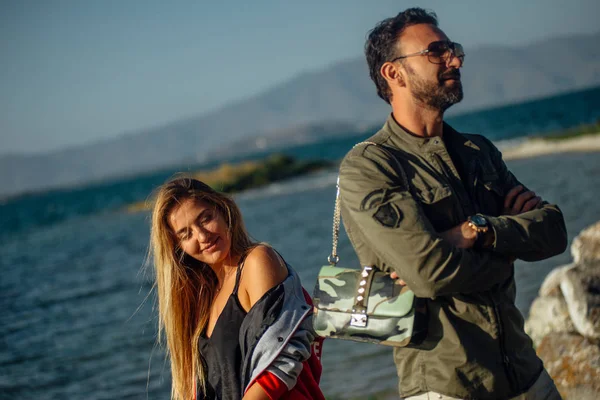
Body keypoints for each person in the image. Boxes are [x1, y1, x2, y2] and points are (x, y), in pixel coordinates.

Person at [338, 8, 567, 400]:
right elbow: (429, 272)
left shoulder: (478, 150)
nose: (455, 60)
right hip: (448, 388)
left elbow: (553, 231)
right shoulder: (369, 166)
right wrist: (510, 248)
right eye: (437, 52)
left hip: (529, 376)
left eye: (453, 50)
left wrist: (478, 229)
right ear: (393, 73)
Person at [149, 177, 325, 400]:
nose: (202, 236)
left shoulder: (257, 262)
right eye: (186, 234)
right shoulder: (202, 301)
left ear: (223, 210)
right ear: (178, 248)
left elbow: (282, 359)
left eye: (206, 218)